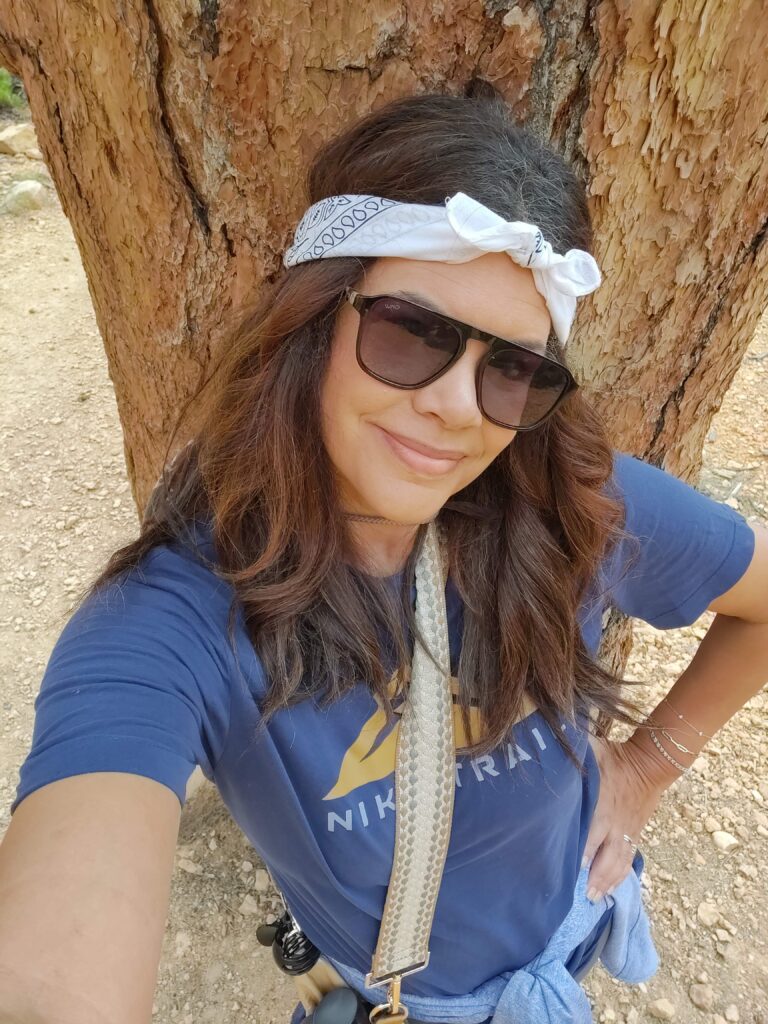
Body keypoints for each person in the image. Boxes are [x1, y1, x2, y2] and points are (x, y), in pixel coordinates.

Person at [1, 86, 767, 1024]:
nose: (455, 404)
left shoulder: (570, 504)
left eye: (513, 368)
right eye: (412, 332)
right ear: (313, 319)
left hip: (573, 933)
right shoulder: (178, 621)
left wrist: (649, 766)